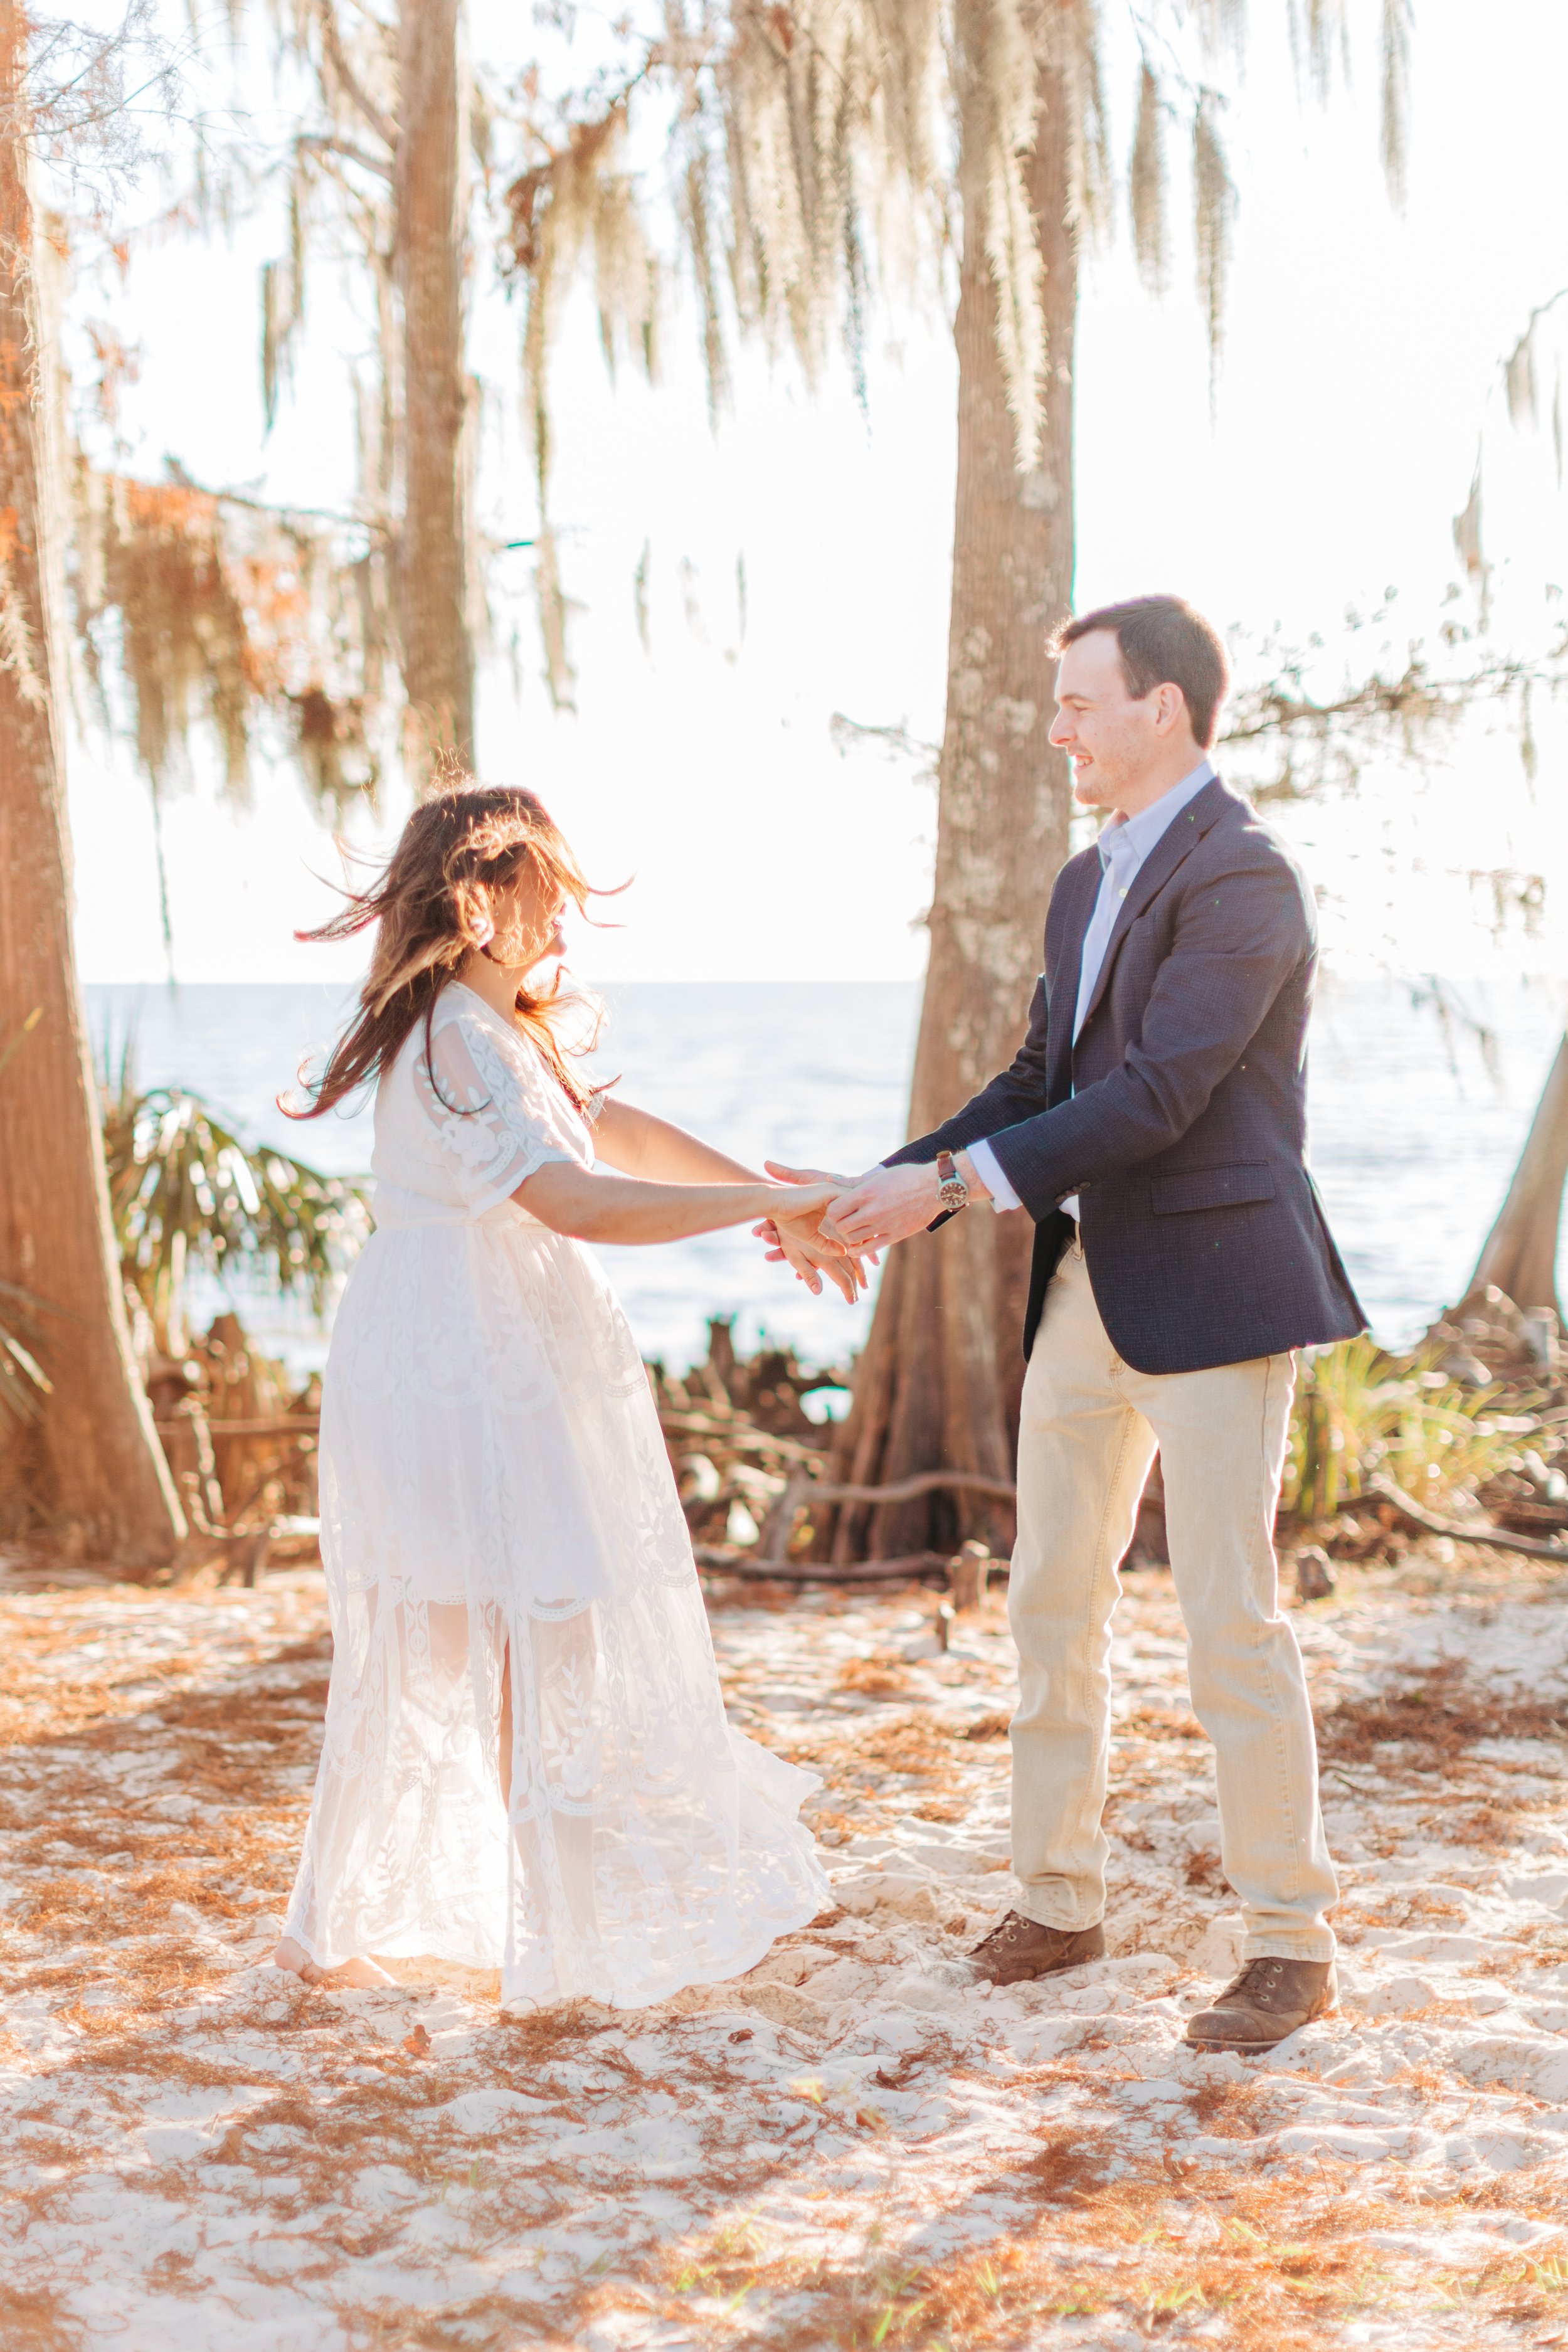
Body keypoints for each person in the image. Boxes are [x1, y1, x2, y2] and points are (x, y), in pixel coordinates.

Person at [770, 596, 1366, 2053]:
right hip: (1087, 1287)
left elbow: (1158, 1093)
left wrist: (953, 1194)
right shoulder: (1080, 883)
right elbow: (1041, 1078)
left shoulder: (1247, 880)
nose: (1059, 731)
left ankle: (1287, 1943)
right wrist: (882, 1185)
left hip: (1219, 1292)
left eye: (1081, 704)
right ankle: (1057, 1899)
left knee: (1230, 1622)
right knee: (1048, 1599)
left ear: (1162, 708)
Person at [270, 783, 857, 2008]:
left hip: (503, 1354)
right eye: (544, 895)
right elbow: (575, 1200)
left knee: (507, 1644)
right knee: (485, 1644)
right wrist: (767, 1209)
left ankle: (473, 1929)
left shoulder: (498, 1031)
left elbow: (610, 1127)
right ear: (477, 901)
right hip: (460, 1365)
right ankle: (513, 1938)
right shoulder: (450, 1039)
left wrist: (773, 1192)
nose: (562, 923)